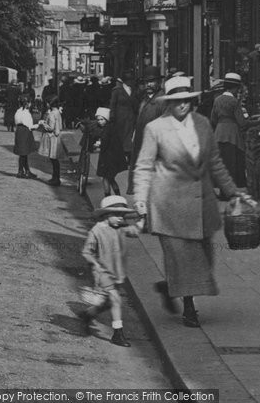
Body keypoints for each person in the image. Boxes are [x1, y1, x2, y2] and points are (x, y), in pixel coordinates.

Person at [133, 75, 248, 328]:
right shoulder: (156, 129)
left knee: (205, 258)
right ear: (168, 103)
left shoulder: (203, 124)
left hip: (201, 203)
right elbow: (143, 167)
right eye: (176, 101)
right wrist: (140, 201)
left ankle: (171, 286)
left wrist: (232, 191)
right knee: (185, 259)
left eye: (186, 100)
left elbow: (215, 162)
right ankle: (189, 308)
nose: (182, 105)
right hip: (169, 205)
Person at [81, 195, 139, 347]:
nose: (120, 218)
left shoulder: (120, 229)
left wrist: (142, 216)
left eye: (122, 215)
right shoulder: (96, 231)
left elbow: (136, 230)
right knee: (116, 299)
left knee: (107, 304)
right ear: (106, 215)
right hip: (102, 272)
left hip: (117, 272)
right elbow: (87, 252)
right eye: (117, 215)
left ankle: (87, 315)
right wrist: (95, 264)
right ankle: (117, 334)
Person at [127, 66, 165, 195]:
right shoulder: (144, 99)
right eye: (146, 82)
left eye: (152, 81)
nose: (148, 84)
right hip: (141, 141)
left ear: (159, 82)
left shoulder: (161, 100)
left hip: (153, 144)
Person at [210, 72, 249, 188]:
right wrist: (258, 121)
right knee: (233, 163)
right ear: (234, 88)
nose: (238, 91)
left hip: (219, 133)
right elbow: (242, 123)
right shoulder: (234, 102)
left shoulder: (217, 100)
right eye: (237, 88)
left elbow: (213, 119)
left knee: (222, 162)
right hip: (233, 135)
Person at [95, 107, 128, 197]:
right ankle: (118, 196)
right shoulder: (111, 128)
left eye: (102, 119)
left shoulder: (106, 130)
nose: (99, 121)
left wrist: (99, 144)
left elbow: (105, 144)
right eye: (98, 120)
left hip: (107, 159)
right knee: (111, 179)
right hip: (114, 158)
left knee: (105, 178)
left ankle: (107, 197)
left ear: (106, 119)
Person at [110, 71, 139, 165]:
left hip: (131, 118)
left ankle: (129, 157)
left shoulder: (134, 90)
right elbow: (112, 105)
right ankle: (121, 158)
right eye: (129, 80)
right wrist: (112, 117)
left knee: (130, 138)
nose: (131, 82)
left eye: (131, 80)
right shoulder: (117, 90)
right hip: (120, 119)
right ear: (125, 81)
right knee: (121, 138)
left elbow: (136, 104)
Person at [38, 96, 64, 186]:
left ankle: (56, 179)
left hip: (52, 138)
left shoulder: (52, 114)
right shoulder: (57, 112)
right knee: (55, 159)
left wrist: (43, 123)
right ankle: (55, 177)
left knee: (53, 159)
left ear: (50, 104)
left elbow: (51, 128)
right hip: (56, 137)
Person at [13, 97, 39, 178]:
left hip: (19, 131)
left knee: (23, 153)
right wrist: (39, 124)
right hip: (25, 132)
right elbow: (30, 126)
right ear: (27, 104)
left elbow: (16, 122)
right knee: (24, 153)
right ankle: (21, 171)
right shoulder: (26, 113)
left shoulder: (18, 111)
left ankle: (25, 171)